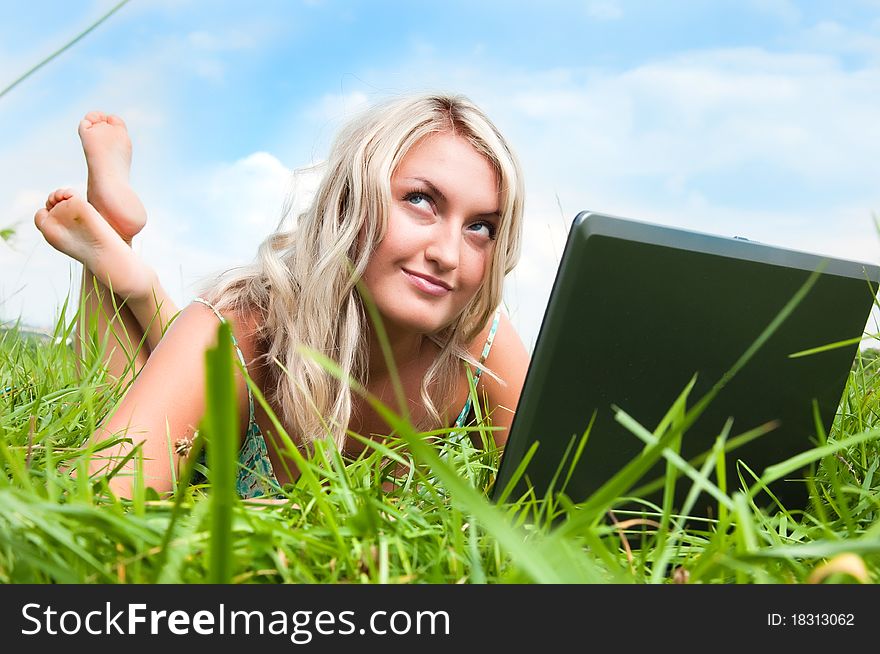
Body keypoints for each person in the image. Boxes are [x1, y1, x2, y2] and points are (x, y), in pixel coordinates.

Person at [34, 93, 530, 500]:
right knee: (112, 389)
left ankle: (138, 283)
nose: (449, 254)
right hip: (236, 345)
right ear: (348, 201)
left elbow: (575, 508)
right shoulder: (232, 333)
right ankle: (121, 260)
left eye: (481, 227)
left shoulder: (479, 344)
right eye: (420, 201)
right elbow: (101, 509)